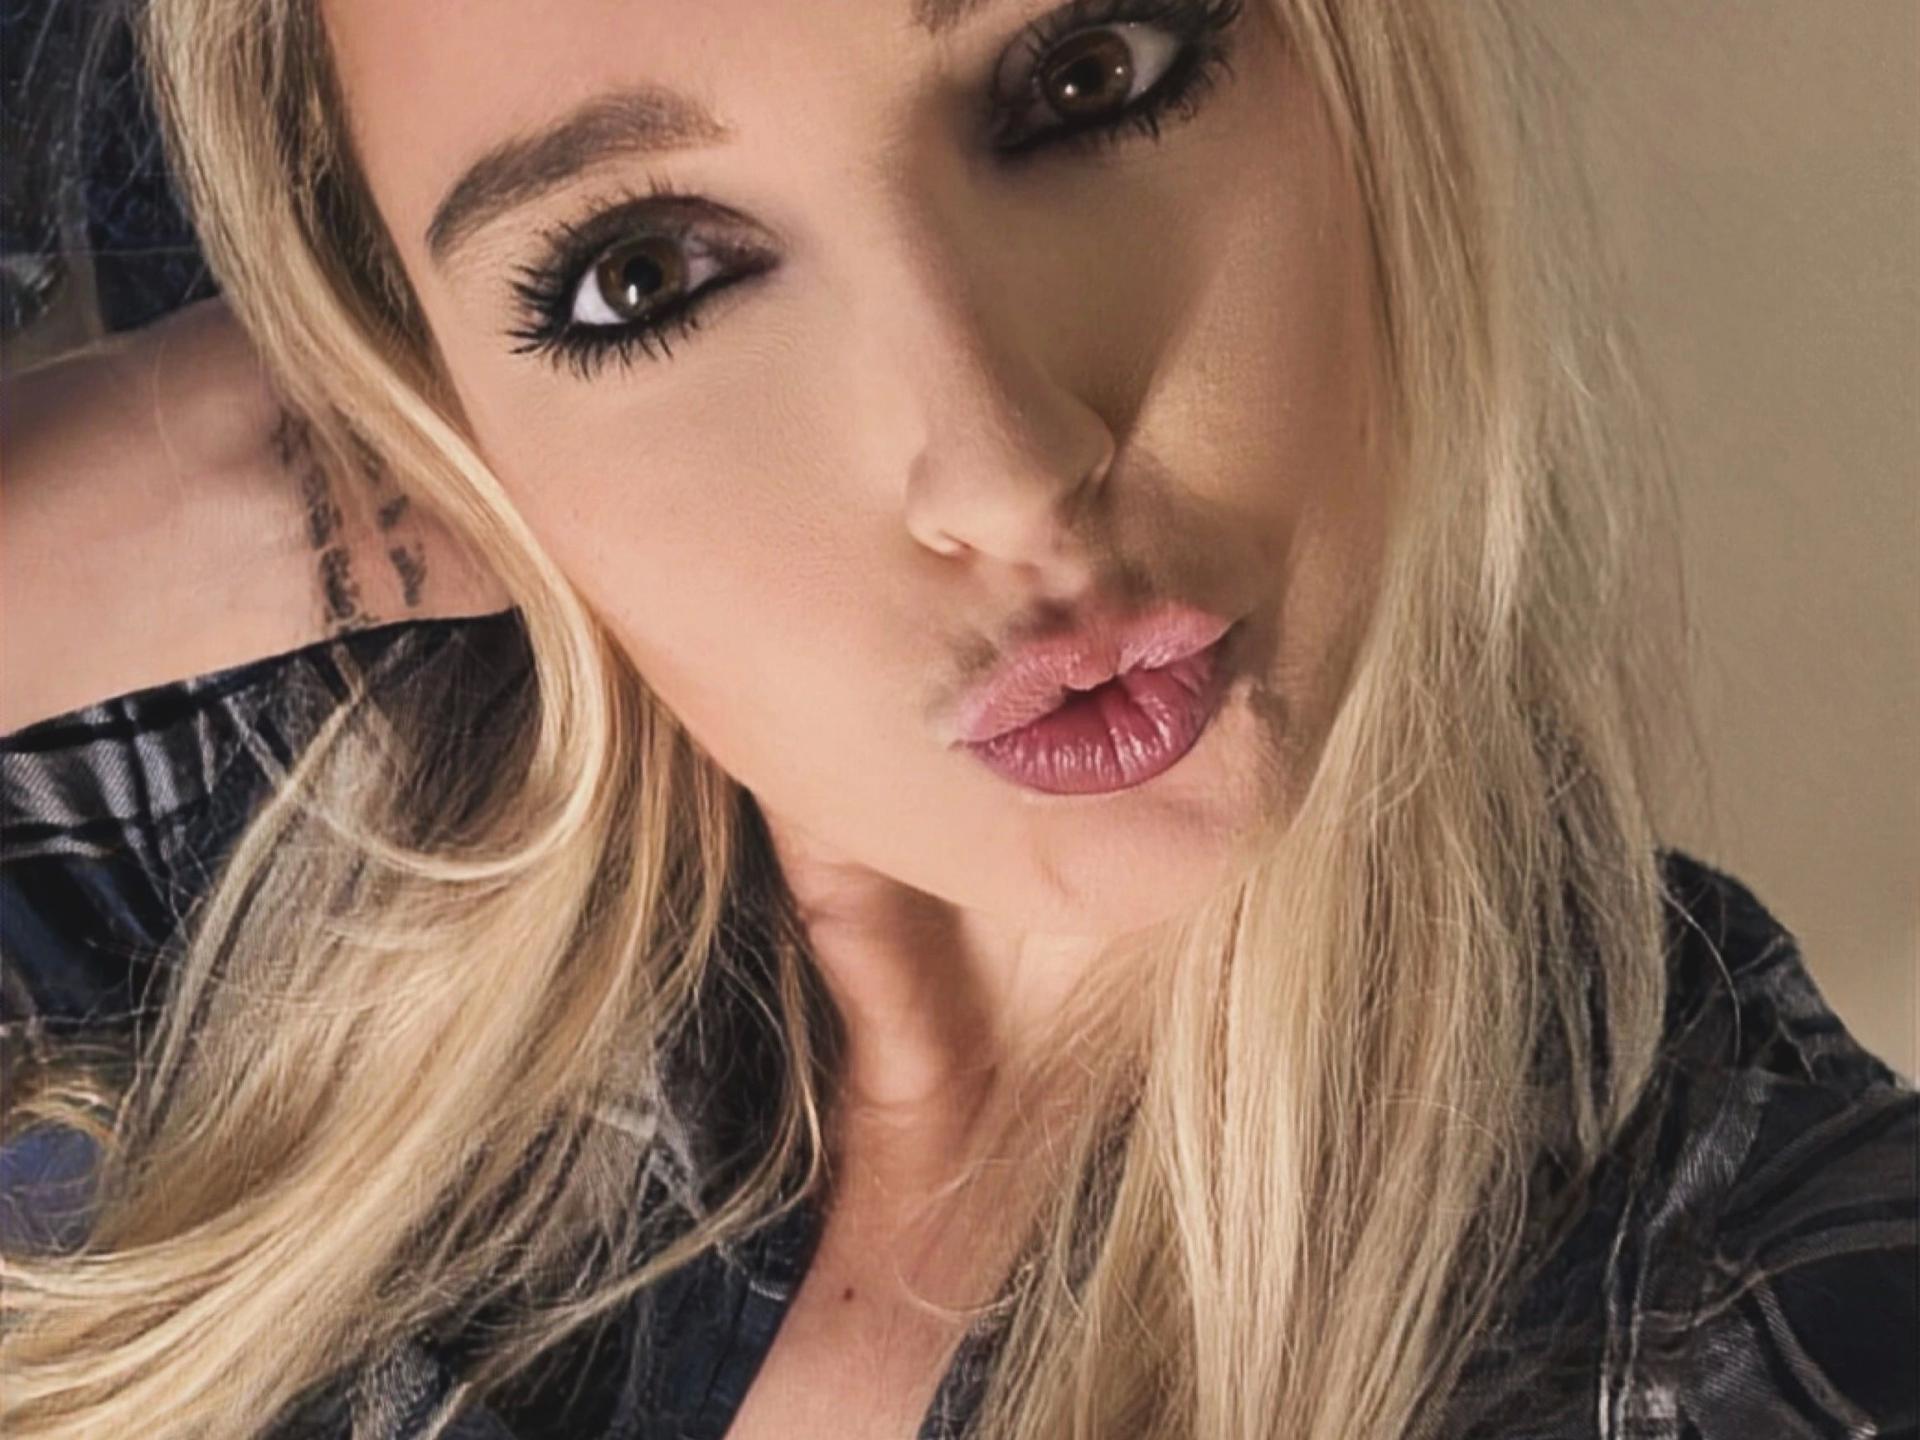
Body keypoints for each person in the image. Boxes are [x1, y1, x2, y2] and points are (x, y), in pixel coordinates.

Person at [1, 1, 1914, 1437]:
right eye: (638, 277)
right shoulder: (291, 815)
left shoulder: (1749, 1317)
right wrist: (125, 507)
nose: (1009, 469)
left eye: (1085, 76)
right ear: (420, 382)